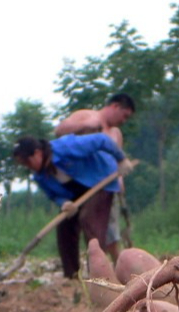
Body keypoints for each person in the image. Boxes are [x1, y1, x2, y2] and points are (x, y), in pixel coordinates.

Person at [12, 133, 135, 280]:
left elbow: (102, 140)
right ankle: (71, 276)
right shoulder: (39, 176)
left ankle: (98, 275)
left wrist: (121, 159)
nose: (28, 166)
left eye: (27, 161)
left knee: (90, 220)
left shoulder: (66, 147)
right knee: (64, 227)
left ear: (37, 153)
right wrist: (64, 203)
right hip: (74, 196)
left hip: (101, 183)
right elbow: (53, 195)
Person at [54, 93, 137, 260]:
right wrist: (85, 125)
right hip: (80, 184)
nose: (124, 120)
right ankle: (73, 273)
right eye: (124, 115)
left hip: (105, 187)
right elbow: (59, 132)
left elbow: (116, 162)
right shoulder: (86, 115)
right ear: (115, 106)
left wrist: (120, 181)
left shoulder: (115, 133)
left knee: (109, 231)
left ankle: (112, 266)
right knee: (71, 227)